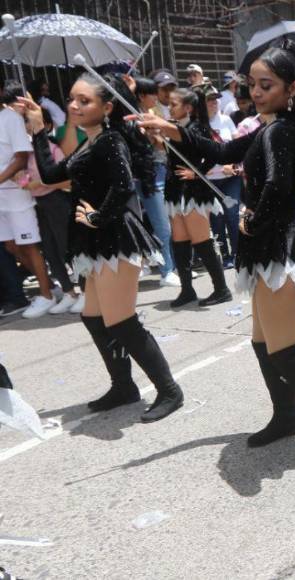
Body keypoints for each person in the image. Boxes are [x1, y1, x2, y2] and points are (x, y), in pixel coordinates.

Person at [136, 41, 295, 467]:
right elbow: (221, 153)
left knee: (285, 347)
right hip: (269, 244)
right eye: (251, 84)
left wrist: (251, 220)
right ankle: (286, 416)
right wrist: (173, 131)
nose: (255, 92)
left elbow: (277, 186)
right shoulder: (272, 125)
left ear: (291, 88)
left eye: (266, 85)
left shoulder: (280, 131)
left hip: (282, 245)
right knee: (263, 342)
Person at [18, 73, 185, 422]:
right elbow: (49, 176)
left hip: (116, 239)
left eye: (85, 100)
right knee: (93, 317)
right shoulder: (87, 142)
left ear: (107, 107)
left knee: (121, 321)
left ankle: (169, 390)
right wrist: (37, 132)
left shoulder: (110, 141)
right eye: (72, 99)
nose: (75, 105)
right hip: (95, 241)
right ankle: (124, 386)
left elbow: (124, 187)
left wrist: (97, 217)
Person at [162, 86, 232, 308]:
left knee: (201, 240)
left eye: (174, 104)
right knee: (179, 242)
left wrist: (198, 173)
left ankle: (221, 289)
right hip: (174, 190)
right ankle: (187, 289)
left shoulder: (197, 128)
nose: (169, 108)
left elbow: (215, 153)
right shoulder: (173, 128)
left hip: (194, 192)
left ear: (188, 108)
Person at [0, 82, 56, 319]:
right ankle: (52, 288)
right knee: (11, 246)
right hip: (1, 198)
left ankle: (46, 295)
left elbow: (22, 157)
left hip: (16, 194)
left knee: (28, 245)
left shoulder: (10, 118)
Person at [22, 107, 83, 313]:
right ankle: (68, 291)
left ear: (46, 125)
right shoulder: (28, 153)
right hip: (41, 204)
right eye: (25, 123)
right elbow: (26, 177)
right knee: (50, 249)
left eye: (30, 122)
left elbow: (62, 179)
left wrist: (37, 184)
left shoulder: (53, 149)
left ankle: (87, 291)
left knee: (68, 247)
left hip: (57, 201)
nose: (27, 127)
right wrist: (24, 182)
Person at [134, 77, 179, 288]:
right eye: (152, 93)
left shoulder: (154, 114)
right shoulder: (131, 117)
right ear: (142, 95)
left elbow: (163, 147)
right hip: (142, 176)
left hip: (160, 172)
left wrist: (157, 135)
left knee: (165, 224)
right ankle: (158, 269)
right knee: (152, 226)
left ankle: (170, 268)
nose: (156, 97)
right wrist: (148, 137)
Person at [196, 83, 242, 270]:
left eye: (216, 99)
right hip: (209, 181)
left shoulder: (227, 120)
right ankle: (224, 256)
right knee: (216, 219)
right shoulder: (197, 126)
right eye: (209, 100)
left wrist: (231, 165)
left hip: (231, 178)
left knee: (232, 215)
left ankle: (238, 254)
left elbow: (237, 147)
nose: (214, 103)